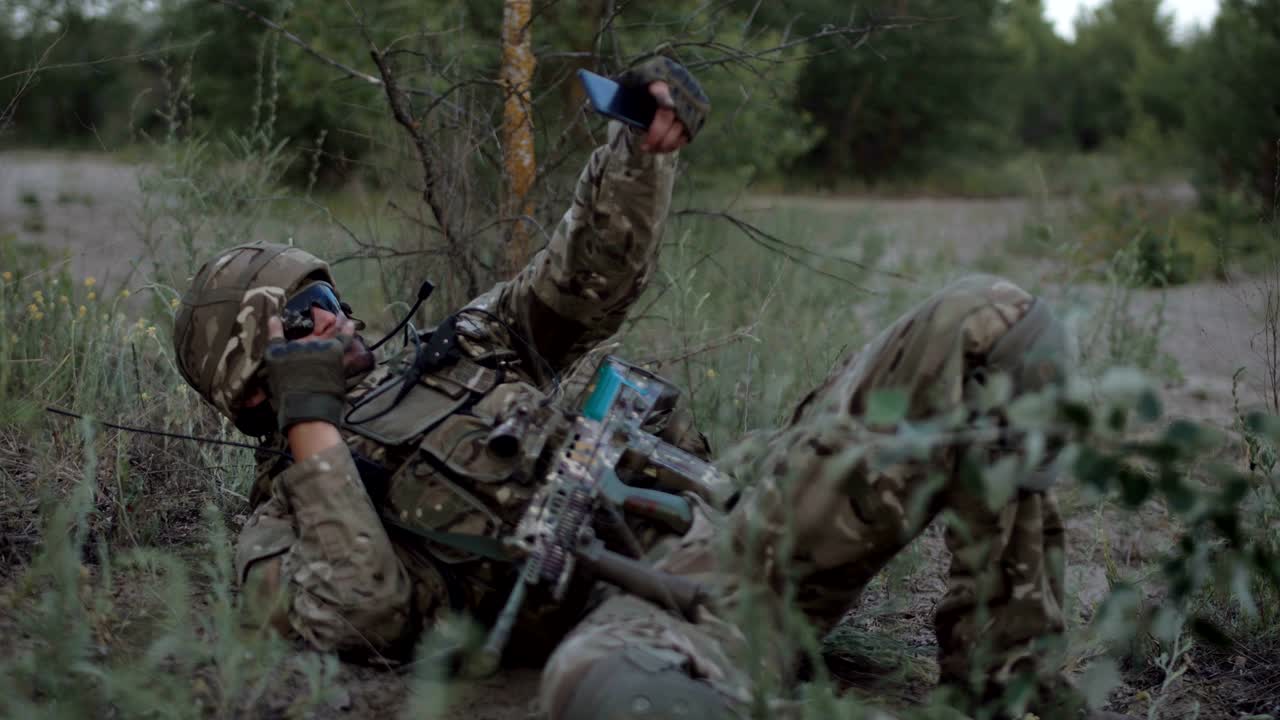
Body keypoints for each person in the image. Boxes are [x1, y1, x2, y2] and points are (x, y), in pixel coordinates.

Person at [174, 58, 1116, 720]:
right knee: (610, 699)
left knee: (992, 321)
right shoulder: (279, 530)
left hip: (767, 514)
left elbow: (585, 278)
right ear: (250, 386)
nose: (336, 320)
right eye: (301, 321)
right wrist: (317, 436)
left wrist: (639, 148)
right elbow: (363, 612)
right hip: (666, 621)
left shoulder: (459, 348)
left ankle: (1006, 681)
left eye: (329, 296)